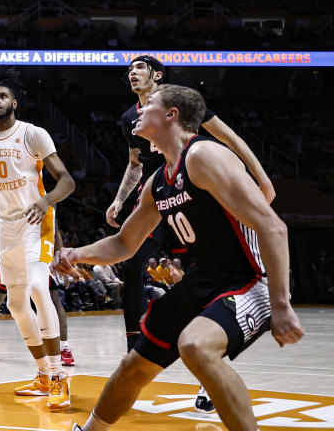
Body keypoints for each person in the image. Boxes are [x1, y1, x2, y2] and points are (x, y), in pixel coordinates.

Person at [59, 84, 303, 431]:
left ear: (172, 114)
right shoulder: (158, 180)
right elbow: (124, 243)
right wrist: (76, 253)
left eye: (150, 105)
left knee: (195, 346)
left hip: (249, 280)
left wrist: (281, 305)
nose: (139, 111)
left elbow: (274, 227)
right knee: (135, 365)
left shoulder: (204, 155)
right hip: (203, 279)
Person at [105, 56, 275, 356]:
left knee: (207, 270)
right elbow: (134, 164)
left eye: (139, 68)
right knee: (131, 263)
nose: (132, 73)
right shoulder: (129, 117)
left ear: (157, 74)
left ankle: (215, 346)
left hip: (192, 191)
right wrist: (119, 199)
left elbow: (228, 136)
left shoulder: (179, 100)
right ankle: (135, 346)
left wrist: (261, 177)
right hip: (158, 196)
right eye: (129, 70)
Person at [0, 69, 76, 411]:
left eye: (2, 96)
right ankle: (42, 374)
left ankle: (58, 379)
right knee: (15, 305)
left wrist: (46, 200)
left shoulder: (33, 135)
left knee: (39, 287)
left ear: (14, 103)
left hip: (36, 220)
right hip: (6, 226)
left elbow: (67, 182)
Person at [0, 219, 74, 367]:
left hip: (39, 257)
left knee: (54, 301)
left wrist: (60, 261)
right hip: (13, 257)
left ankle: (64, 348)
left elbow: (54, 232)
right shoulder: (8, 200)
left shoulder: (42, 201)